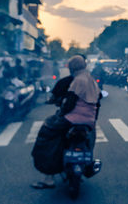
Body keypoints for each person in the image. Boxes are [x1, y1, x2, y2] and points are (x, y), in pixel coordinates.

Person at [31, 55, 101, 189]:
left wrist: (61, 115)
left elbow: (70, 103)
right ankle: (87, 163)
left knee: (47, 130)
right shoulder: (91, 79)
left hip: (72, 118)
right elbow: (97, 103)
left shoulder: (78, 80)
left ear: (72, 67)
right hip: (89, 120)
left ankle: (48, 178)